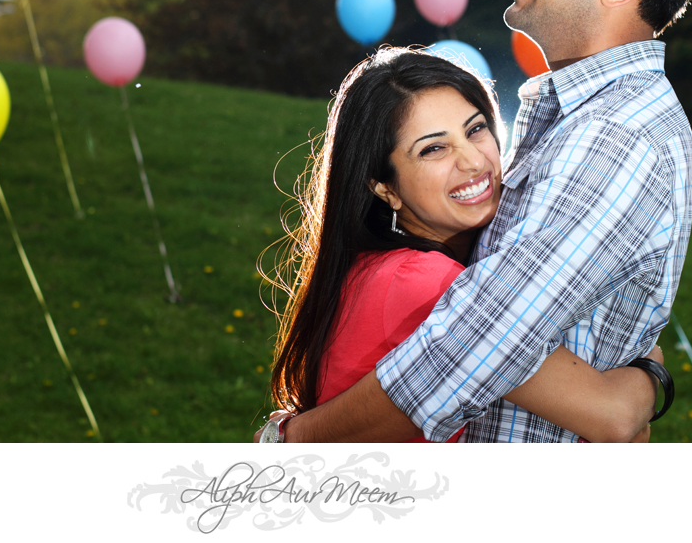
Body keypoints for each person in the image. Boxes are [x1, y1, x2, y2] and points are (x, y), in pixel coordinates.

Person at [258, 0, 692, 443]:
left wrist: (293, 443)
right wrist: (645, 376)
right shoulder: (584, 120)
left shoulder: (614, 138)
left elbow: (477, 344)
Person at [259, 47, 660, 443]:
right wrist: (652, 367)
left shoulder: (378, 265)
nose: (472, 161)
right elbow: (614, 417)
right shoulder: (425, 282)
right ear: (384, 187)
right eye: (434, 148)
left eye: (475, 129)